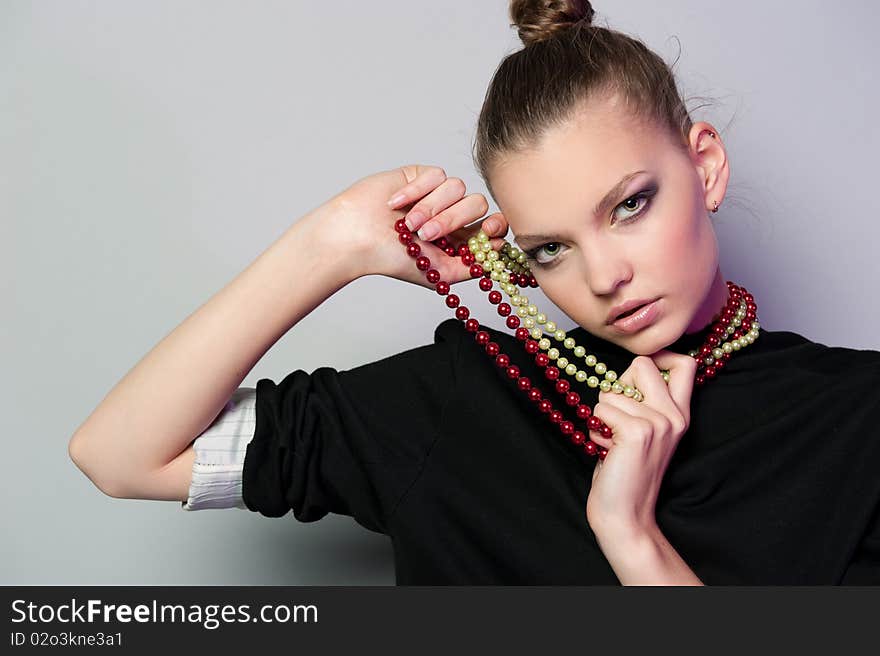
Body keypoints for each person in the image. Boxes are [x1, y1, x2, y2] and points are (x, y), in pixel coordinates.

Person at [68, 0, 880, 585]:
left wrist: (631, 538)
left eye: (629, 205)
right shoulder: (465, 398)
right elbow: (120, 456)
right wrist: (333, 244)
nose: (603, 278)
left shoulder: (859, 419)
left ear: (704, 167)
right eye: (551, 248)